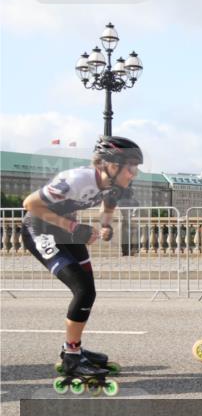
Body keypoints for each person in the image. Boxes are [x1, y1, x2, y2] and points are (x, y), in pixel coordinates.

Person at [21, 136, 143, 387]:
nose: (134, 173)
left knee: (89, 291)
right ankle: (72, 357)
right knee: (83, 289)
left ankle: (72, 349)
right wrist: (72, 226)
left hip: (66, 231)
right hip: (40, 230)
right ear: (111, 165)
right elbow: (30, 204)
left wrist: (106, 226)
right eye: (130, 167)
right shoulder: (76, 180)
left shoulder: (115, 185)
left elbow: (107, 208)